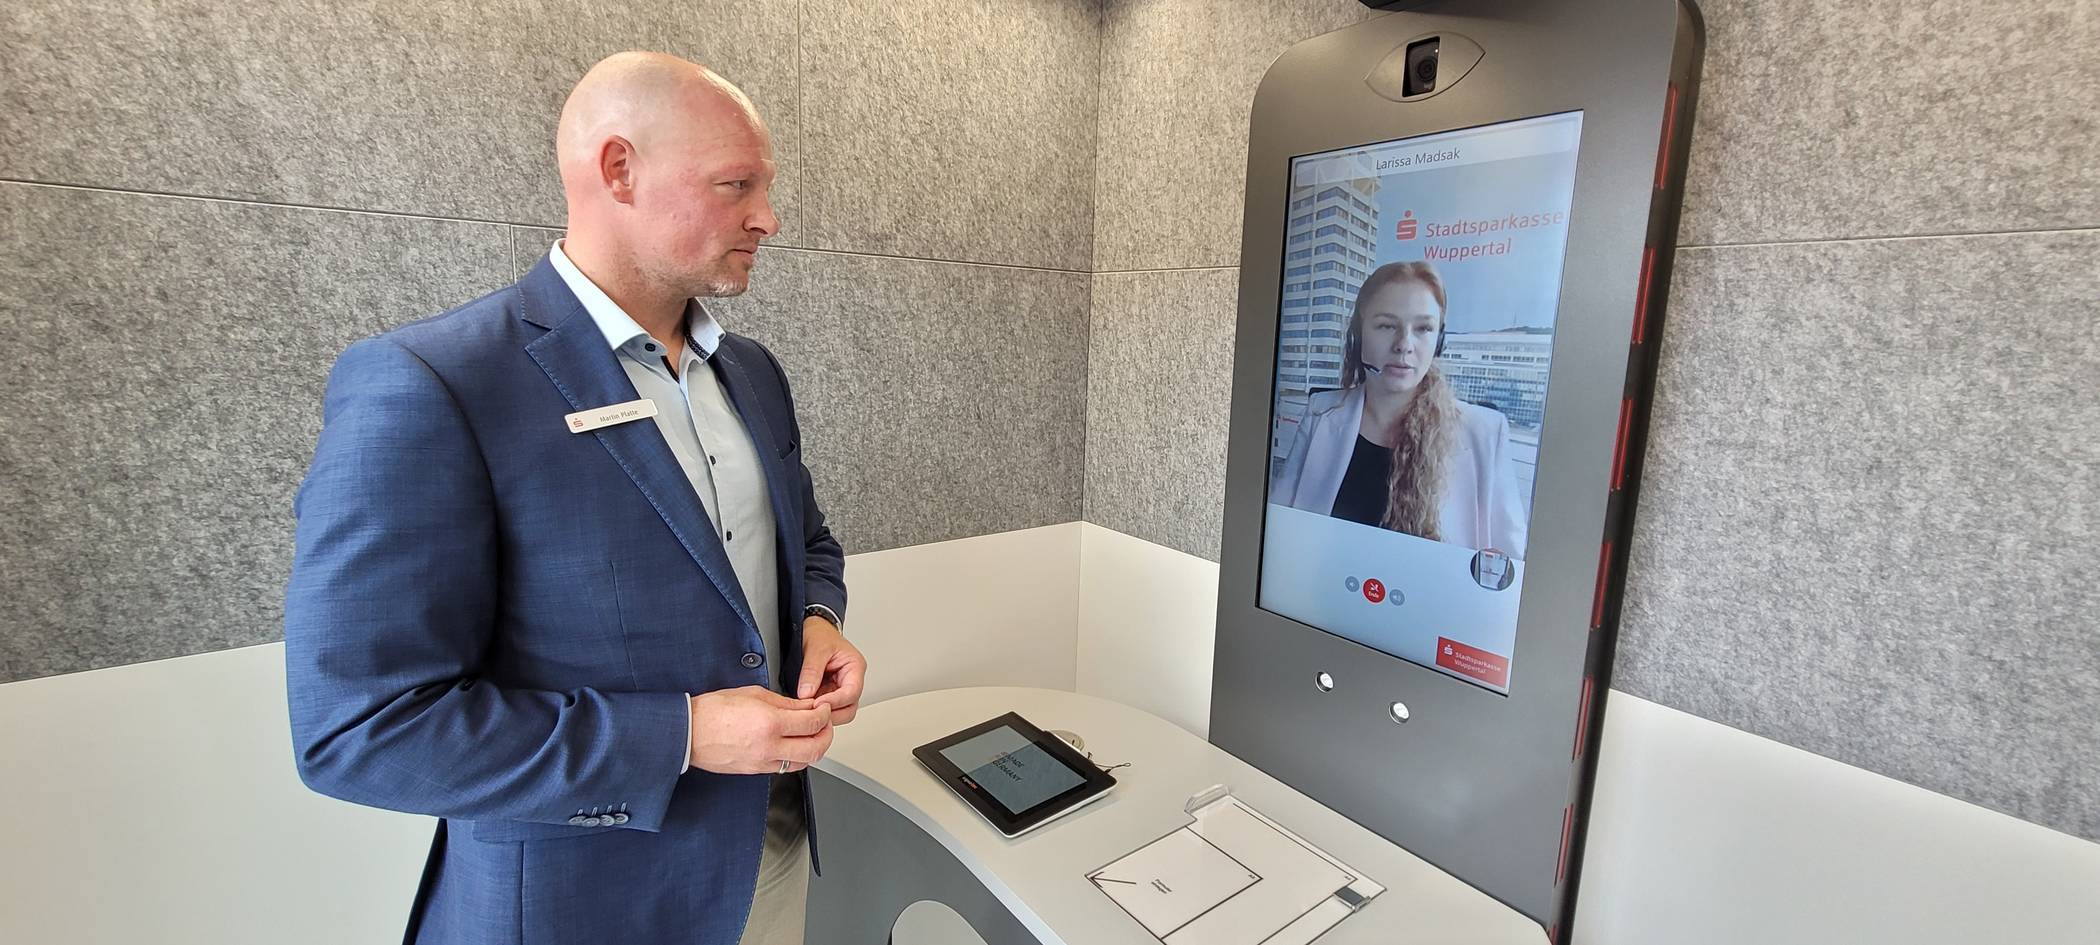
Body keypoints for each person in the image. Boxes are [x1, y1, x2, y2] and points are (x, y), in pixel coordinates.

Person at [283, 52, 865, 945]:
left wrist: (816, 621)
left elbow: (807, 543)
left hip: (774, 862)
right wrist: (680, 735)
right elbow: (360, 728)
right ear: (617, 170)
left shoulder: (750, 373)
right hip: (581, 906)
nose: (768, 218)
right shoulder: (434, 385)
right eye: (735, 184)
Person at [1271, 260, 1528, 558]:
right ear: (1357, 336)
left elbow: (1510, 565)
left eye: (1423, 328)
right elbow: (1279, 527)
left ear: (1439, 341)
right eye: (1386, 325)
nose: (1404, 344)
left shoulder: (1484, 431)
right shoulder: (1321, 413)